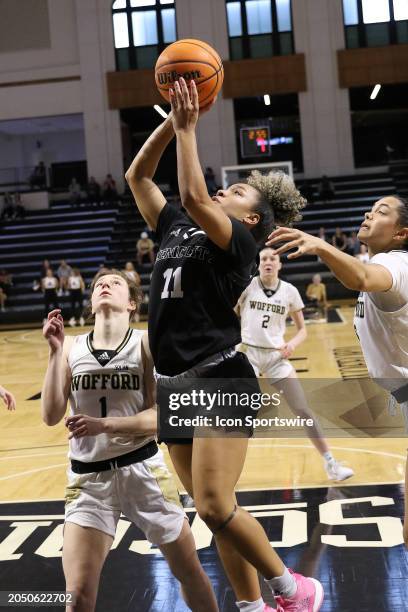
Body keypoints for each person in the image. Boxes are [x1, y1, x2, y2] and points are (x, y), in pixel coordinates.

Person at [126, 76, 324, 612]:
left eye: (234, 193)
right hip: (173, 383)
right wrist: (171, 122)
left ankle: (292, 587)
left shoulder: (237, 242)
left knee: (213, 506)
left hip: (220, 377)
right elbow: (139, 175)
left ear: (252, 218)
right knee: (216, 509)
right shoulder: (174, 225)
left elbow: (192, 191)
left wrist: (190, 128)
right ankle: (251, 605)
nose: (221, 192)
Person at [41, 269, 218, 612]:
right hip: (88, 480)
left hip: (144, 472)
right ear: (91, 304)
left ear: (132, 303)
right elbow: (50, 415)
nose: (104, 286)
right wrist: (54, 351)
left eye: (115, 283)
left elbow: (163, 415)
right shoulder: (71, 347)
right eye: (98, 285)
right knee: (75, 595)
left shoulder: (147, 343)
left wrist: (105, 425)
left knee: (189, 571)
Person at [266, 194, 408, 549]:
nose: (368, 212)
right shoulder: (388, 263)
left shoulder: (397, 265)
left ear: (401, 233)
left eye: (381, 212)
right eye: (370, 208)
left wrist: (321, 246)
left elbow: (359, 276)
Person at [236, 249, 353, 481]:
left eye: (272, 259)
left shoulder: (289, 291)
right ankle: (219, 471)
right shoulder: (247, 286)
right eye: (264, 259)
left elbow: (303, 330)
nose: (268, 262)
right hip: (248, 353)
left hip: (276, 356)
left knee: (303, 410)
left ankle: (331, 463)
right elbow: (230, 315)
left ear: (279, 264)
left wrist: (292, 345)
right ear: (259, 264)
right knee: (235, 414)